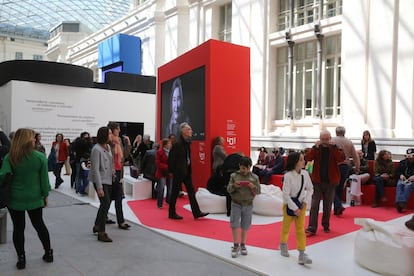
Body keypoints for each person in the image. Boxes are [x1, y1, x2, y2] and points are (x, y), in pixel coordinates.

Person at [0, 128, 53, 269]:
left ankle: (21, 259)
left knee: (18, 229)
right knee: (39, 225)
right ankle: (48, 253)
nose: (35, 139)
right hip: (35, 198)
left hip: (14, 199)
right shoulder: (40, 157)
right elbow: (44, 180)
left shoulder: (10, 157)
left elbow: (2, 177)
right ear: (27, 140)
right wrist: (45, 195)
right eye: (33, 138)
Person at [305, 130, 344, 235]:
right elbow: (308, 158)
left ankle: (326, 225)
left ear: (330, 138)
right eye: (323, 139)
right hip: (317, 181)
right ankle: (312, 227)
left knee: (327, 205)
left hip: (331, 181)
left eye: (327, 139)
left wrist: (335, 147)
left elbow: (341, 159)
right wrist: (314, 147)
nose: (325, 141)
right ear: (320, 139)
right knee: (314, 204)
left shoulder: (334, 148)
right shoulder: (316, 148)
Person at [167, 122, 208, 220]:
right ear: (183, 131)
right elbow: (171, 159)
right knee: (175, 192)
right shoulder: (177, 144)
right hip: (179, 172)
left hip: (186, 171)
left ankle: (196, 212)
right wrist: (172, 171)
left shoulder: (187, 143)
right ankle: (171, 213)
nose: (191, 131)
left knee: (191, 192)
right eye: (189, 129)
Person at [279, 151, 313, 265]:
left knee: (300, 230)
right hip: (289, 206)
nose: (304, 161)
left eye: (303, 159)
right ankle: (283, 244)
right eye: (301, 160)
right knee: (286, 227)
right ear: (295, 162)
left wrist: (305, 202)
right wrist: (294, 208)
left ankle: (302, 254)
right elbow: (285, 195)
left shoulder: (305, 174)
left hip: (301, 205)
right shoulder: (288, 176)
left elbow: (310, 189)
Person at [227, 156, 260, 258]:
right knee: (234, 223)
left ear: (250, 167)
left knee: (245, 225)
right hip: (236, 203)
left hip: (248, 204)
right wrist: (234, 186)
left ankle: (243, 244)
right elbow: (228, 189)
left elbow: (258, 191)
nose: (243, 170)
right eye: (241, 168)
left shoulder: (255, 178)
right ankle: (235, 245)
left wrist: (253, 187)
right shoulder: (234, 176)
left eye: (245, 168)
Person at [89, 126, 114, 242]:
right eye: (109, 134)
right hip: (100, 180)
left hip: (108, 179)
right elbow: (95, 170)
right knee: (105, 203)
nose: (111, 136)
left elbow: (110, 162)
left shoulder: (108, 147)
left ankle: (97, 225)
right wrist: (99, 187)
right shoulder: (96, 150)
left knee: (105, 204)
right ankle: (101, 232)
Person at [107, 122, 131, 230]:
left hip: (118, 171)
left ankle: (120, 221)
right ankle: (103, 221)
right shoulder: (108, 141)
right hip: (110, 172)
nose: (119, 130)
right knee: (112, 197)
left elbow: (124, 156)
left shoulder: (119, 140)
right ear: (112, 129)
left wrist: (128, 144)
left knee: (116, 197)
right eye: (118, 128)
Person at [331, 126, 359, 216]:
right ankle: (337, 208)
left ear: (336, 132)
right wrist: (357, 166)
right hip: (345, 166)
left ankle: (338, 205)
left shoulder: (332, 141)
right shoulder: (349, 142)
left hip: (334, 165)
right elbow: (355, 156)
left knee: (331, 187)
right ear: (344, 132)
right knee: (340, 186)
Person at [395, 148, 414, 213]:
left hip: (412, 181)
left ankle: (402, 203)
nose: (410, 158)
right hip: (404, 179)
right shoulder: (403, 162)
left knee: (408, 186)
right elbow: (397, 171)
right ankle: (399, 203)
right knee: (400, 184)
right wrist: (401, 175)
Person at [155, 138, 172, 208]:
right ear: (165, 145)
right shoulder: (159, 152)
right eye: (169, 143)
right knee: (161, 188)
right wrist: (167, 166)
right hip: (161, 172)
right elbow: (157, 163)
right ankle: (159, 204)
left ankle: (168, 200)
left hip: (170, 172)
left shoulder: (172, 151)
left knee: (170, 188)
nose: (170, 145)